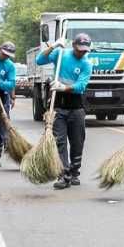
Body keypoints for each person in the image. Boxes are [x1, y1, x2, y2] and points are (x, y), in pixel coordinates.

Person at [37, 33, 93, 189]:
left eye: (85, 50)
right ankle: (64, 174)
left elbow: (81, 86)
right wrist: (54, 46)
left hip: (76, 107)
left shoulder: (86, 64)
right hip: (58, 106)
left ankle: (74, 172)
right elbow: (40, 60)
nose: (82, 52)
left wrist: (64, 86)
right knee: (59, 141)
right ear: (73, 45)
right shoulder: (61, 54)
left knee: (77, 142)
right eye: (80, 49)